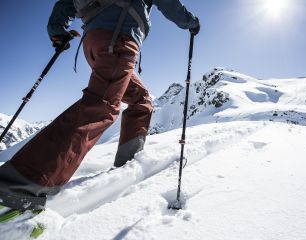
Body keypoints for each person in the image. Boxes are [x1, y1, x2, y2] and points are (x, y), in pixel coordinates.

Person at [0, 0, 200, 211]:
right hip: (119, 39)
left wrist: (56, 30)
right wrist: (191, 23)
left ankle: (128, 165)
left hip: (95, 42)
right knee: (101, 107)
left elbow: (66, 3)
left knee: (141, 101)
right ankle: (22, 181)